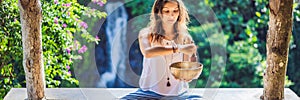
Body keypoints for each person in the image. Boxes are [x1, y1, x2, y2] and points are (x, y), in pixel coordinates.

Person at [121, 0, 199, 99]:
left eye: (175, 11)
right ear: (159, 12)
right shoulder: (146, 34)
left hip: (179, 94)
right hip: (148, 93)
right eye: (167, 11)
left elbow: (185, 71)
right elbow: (148, 52)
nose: (171, 15)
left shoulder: (185, 38)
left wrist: (189, 73)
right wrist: (179, 48)